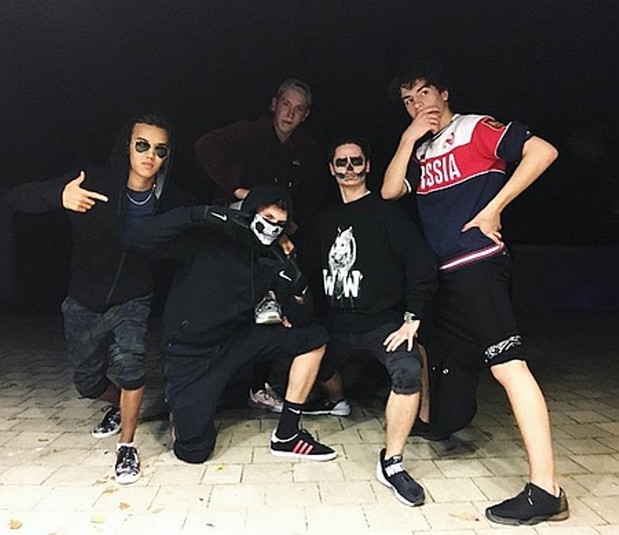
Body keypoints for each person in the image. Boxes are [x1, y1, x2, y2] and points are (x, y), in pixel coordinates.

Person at [381, 62, 569, 525]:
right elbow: (389, 191)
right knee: (431, 348)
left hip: (477, 264)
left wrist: (494, 209)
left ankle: (546, 489)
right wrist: (407, 139)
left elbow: (543, 151)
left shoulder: (475, 128)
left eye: (424, 93)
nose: (417, 104)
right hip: (443, 275)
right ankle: (436, 424)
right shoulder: (422, 150)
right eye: (408, 100)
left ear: (444, 92)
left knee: (508, 365)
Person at [7, 113, 173, 484]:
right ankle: (118, 407)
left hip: (133, 297)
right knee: (87, 382)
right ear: (127, 146)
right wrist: (59, 195)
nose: (150, 155)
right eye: (142, 145)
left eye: (160, 150)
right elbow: (17, 196)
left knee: (131, 367)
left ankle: (127, 446)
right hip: (84, 299)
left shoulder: (167, 198)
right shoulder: (93, 181)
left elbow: (206, 219)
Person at [124, 184, 337, 464]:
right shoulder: (210, 235)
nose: (272, 228)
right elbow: (137, 239)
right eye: (267, 218)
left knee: (314, 337)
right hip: (191, 352)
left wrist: (298, 287)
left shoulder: (271, 258)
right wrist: (196, 215)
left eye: (279, 224)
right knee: (193, 451)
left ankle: (287, 434)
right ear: (250, 213)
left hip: (235, 340)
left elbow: (301, 318)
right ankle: (181, 404)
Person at [302, 138, 436, 506]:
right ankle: (337, 400)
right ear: (331, 169)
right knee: (306, 359)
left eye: (356, 161)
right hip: (335, 323)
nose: (349, 169)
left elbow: (420, 263)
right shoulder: (323, 220)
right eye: (341, 162)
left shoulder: (387, 213)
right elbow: (305, 270)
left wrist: (412, 317)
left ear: (368, 166)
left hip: (382, 323)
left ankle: (392, 462)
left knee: (407, 370)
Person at [195, 78, 329, 412]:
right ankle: (207, 381)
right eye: (286, 104)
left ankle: (258, 386)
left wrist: (294, 223)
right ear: (274, 104)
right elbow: (205, 146)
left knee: (276, 305)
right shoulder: (249, 133)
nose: (290, 113)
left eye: (298, 109)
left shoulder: (306, 149)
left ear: (306, 115)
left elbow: (316, 190)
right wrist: (239, 191)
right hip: (239, 224)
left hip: (277, 235)